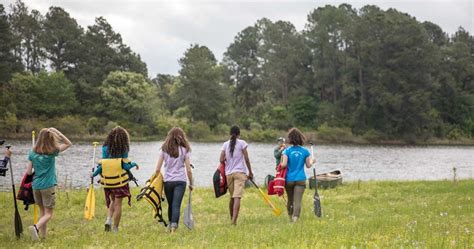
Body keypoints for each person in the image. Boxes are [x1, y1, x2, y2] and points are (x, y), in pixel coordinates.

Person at [26, 128, 72, 241]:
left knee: (43, 212)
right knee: (49, 214)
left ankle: (43, 237)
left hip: (36, 186)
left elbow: (28, 172)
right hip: (48, 186)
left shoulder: (32, 153)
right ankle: (35, 227)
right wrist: (58, 132)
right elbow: (68, 143)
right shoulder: (53, 152)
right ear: (51, 139)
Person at [92, 126, 139, 233]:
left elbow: (102, 166)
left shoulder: (105, 148)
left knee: (113, 200)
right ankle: (115, 228)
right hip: (119, 181)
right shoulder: (124, 149)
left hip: (108, 182)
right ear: (124, 139)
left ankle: (108, 220)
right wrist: (134, 164)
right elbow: (125, 166)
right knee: (118, 204)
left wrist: (93, 175)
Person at [154, 127, 194, 233]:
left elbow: (157, 169)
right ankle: (173, 227)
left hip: (168, 181)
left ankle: (171, 224)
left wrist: (157, 181)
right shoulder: (185, 149)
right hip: (180, 181)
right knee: (176, 204)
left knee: (171, 204)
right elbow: (189, 170)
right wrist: (191, 183)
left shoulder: (164, 149)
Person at [219, 125, 254, 225]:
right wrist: (250, 172)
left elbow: (221, 159)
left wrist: (226, 158)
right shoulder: (242, 143)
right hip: (239, 173)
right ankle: (234, 221)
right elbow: (246, 159)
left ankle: (232, 219)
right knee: (237, 197)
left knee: (232, 197)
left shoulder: (225, 144)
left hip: (228, 174)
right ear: (239, 134)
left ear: (230, 133)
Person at [280, 127, 314, 223]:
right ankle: (295, 220)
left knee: (290, 200)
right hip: (300, 179)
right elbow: (308, 165)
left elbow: (284, 165)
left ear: (290, 138)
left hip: (289, 180)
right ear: (300, 138)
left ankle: (290, 219)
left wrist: (280, 164)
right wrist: (312, 161)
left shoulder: (286, 151)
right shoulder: (305, 151)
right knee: (297, 201)